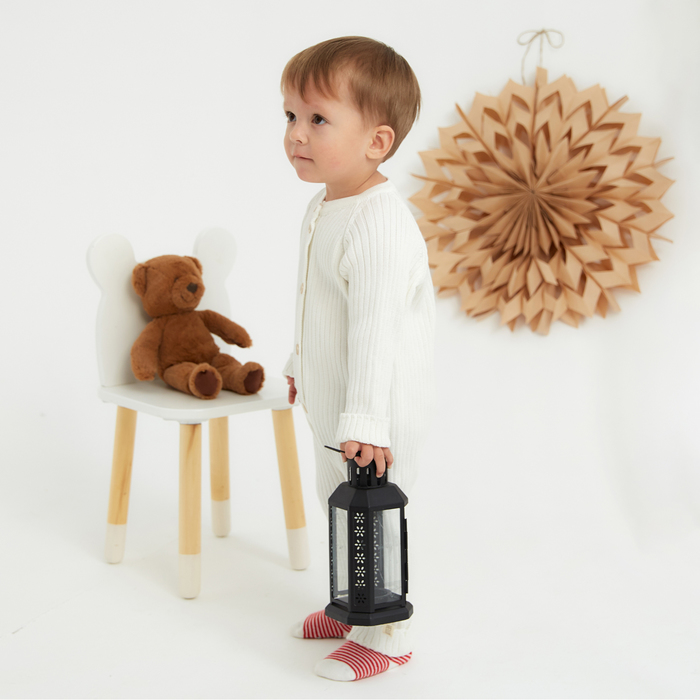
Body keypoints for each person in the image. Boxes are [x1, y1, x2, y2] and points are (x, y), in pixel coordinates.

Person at [280, 36, 435, 682]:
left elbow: (374, 326)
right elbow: (318, 302)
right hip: (336, 405)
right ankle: (350, 610)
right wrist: (300, 362)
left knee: (375, 520)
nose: (296, 133)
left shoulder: (379, 222)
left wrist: (368, 421)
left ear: (377, 141)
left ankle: (387, 636)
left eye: (318, 119)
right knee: (335, 505)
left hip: (374, 414)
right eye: (291, 115)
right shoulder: (325, 206)